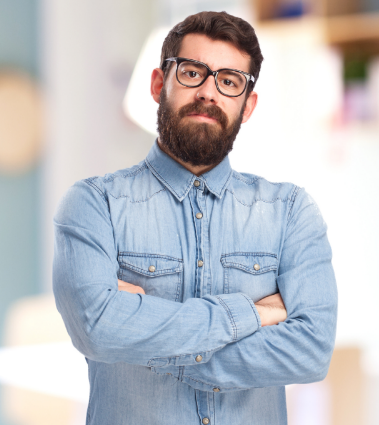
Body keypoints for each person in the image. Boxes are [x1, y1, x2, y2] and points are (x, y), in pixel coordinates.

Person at [53, 11, 338, 425]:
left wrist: (145, 341)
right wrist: (252, 315)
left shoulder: (290, 213)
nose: (209, 92)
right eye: (192, 72)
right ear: (158, 84)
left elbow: (311, 351)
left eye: (229, 81)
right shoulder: (95, 205)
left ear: (248, 104)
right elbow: (97, 329)